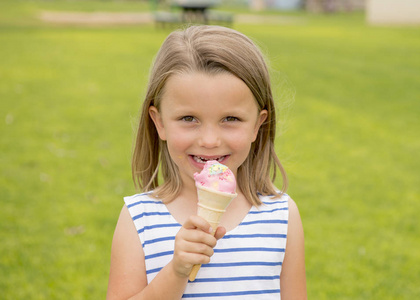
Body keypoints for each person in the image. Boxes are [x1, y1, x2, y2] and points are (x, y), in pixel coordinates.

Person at [107, 25, 307, 300]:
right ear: (159, 122)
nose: (210, 140)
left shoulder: (282, 216)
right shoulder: (140, 218)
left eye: (230, 119)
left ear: (257, 126)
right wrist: (176, 271)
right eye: (189, 119)